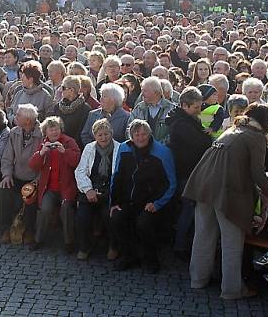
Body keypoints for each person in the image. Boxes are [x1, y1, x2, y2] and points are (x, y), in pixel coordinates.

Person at [185, 104, 268, 300]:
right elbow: (258, 174)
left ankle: (198, 280)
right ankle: (232, 290)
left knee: (203, 236)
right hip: (227, 192)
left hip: (203, 186)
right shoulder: (256, 137)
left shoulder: (233, 130)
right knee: (232, 241)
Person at [110, 119, 176, 273]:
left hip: (152, 202)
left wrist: (157, 203)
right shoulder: (123, 148)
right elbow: (117, 176)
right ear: (131, 136)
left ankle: (150, 259)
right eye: (136, 134)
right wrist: (114, 202)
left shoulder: (162, 152)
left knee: (144, 223)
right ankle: (129, 255)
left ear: (149, 134)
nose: (140, 138)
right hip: (129, 200)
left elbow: (171, 183)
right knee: (116, 219)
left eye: (144, 134)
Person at [166, 86, 212, 259]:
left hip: (190, 171)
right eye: (196, 108)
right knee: (188, 208)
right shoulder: (181, 124)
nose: (199, 111)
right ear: (185, 106)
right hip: (187, 173)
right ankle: (180, 246)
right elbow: (202, 143)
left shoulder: (187, 119)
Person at [28, 116, 81, 253]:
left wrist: (64, 152)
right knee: (44, 209)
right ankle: (38, 239)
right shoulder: (43, 144)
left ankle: (69, 241)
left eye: (56, 129)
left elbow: (76, 161)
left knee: (66, 209)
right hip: (49, 189)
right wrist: (41, 153)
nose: (54, 132)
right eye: (51, 130)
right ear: (46, 132)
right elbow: (33, 165)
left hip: (66, 187)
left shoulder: (69, 142)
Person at [74, 118, 120, 261]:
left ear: (111, 133)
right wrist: (88, 190)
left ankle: (113, 246)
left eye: (106, 134)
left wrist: (110, 193)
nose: (103, 137)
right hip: (91, 188)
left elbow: (121, 174)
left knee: (110, 215)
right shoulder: (89, 148)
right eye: (100, 135)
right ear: (95, 136)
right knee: (82, 216)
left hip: (111, 190)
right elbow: (80, 171)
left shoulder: (120, 148)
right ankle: (84, 247)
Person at [0, 104, 41, 245]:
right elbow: (7, 157)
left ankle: (29, 230)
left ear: (28, 120)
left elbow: (46, 164)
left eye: (18, 115)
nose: (14, 117)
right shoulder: (14, 132)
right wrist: (6, 175)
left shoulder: (42, 134)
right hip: (16, 176)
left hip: (34, 179)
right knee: (4, 190)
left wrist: (36, 181)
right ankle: (6, 228)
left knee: (30, 196)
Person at [48, 75, 91, 147]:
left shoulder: (85, 109)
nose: (61, 90)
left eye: (63, 88)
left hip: (75, 148)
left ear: (71, 90)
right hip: (57, 146)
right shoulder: (57, 107)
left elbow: (81, 133)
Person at [128, 76, 175, 142]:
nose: (142, 94)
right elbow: (129, 129)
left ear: (156, 92)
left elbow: (173, 133)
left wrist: (159, 147)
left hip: (162, 150)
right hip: (140, 149)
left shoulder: (171, 109)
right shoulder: (139, 108)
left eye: (145, 91)